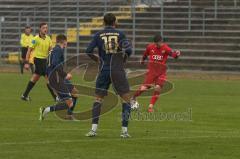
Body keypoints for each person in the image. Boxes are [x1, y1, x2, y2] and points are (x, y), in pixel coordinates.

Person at [85, 13, 133, 138]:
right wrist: (123, 60)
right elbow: (129, 50)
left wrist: (98, 60)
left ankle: (93, 130)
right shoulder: (120, 34)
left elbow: (88, 51)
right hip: (117, 70)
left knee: (98, 99)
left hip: (104, 69)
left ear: (103, 22)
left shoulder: (98, 35)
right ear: (114, 22)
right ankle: (124, 131)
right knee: (126, 99)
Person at [131, 34, 181, 112]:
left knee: (158, 87)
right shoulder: (150, 47)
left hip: (161, 73)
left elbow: (174, 55)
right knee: (143, 88)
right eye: (155, 43)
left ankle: (150, 107)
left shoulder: (166, 48)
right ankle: (133, 97)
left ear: (161, 41)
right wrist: (143, 60)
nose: (156, 45)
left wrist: (177, 54)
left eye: (157, 43)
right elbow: (145, 54)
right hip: (151, 72)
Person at [39, 34, 78, 120]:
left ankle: (69, 115)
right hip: (56, 78)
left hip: (57, 77)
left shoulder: (54, 50)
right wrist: (65, 75)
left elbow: (48, 65)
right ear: (64, 42)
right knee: (69, 103)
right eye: (66, 41)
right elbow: (54, 63)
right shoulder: (58, 50)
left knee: (74, 92)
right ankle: (45, 110)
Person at [21, 22, 56, 101]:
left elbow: (51, 50)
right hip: (38, 60)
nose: (45, 29)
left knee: (35, 78)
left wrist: (53, 57)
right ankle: (55, 97)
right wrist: (26, 63)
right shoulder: (35, 39)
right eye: (43, 28)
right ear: (40, 29)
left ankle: (24, 95)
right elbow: (29, 50)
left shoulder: (48, 38)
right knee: (48, 77)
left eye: (46, 28)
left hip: (45, 61)